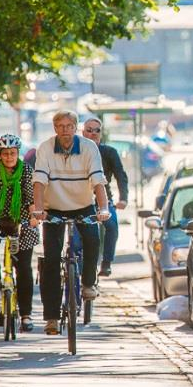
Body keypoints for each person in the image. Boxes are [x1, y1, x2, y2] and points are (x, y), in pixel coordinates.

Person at [31, 110, 111, 336]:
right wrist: (38, 210)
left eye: (69, 126)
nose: (65, 130)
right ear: (55, 128)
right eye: (61, 126)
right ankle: (51, 318)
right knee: (51, 261)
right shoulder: (46, 148)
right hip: (53, 208)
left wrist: (103, 209)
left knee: (93, 240)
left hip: (83, 205)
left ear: (76, 128)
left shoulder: (88, 147)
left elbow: (98, 181)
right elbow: (39, 181)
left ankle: (87, 284)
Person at [0, 134, 39, 332]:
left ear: (17, 153)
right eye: (5, 153)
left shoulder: (27, 171)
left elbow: (31, 198)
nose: (9, 157)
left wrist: (33, 217)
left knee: (24, 269)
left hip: (22, 220)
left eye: (12, 153)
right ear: (0, 154)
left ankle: (26, 315)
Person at [81, 117, 129, 277]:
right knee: (75, 239)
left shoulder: (109, 152)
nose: (93, 133)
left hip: (103, 200)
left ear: (101, 133)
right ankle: (75, 265)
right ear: (82, 132)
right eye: (89, 130)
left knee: (112, 225)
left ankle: (106, 262)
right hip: (79, 201)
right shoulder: (76, 151)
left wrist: (123, 198)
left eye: (97, 130)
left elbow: (120, 175)